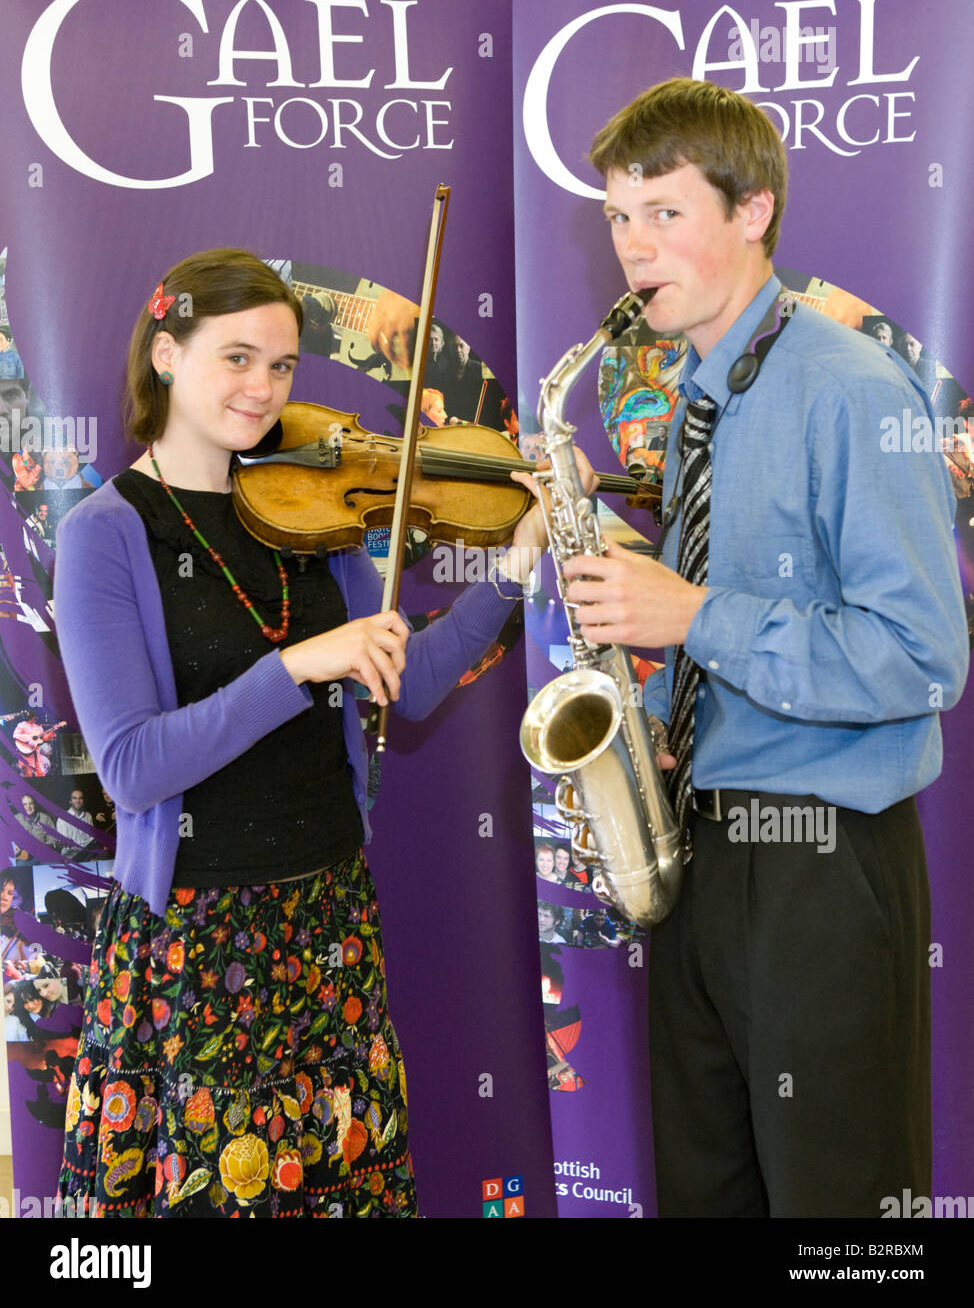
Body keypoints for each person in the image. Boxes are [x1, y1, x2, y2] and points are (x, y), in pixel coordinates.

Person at [52, 247, 559, 1219]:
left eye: (281, 366)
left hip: (325, 923)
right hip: (195, 946)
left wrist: (514, 564)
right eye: (236, 358)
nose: (263, 388)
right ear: (165, 354)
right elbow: (131, 767)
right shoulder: (105, 535)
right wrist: (296, 665)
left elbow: (406, 684)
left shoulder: (308, 507)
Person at [563, 78, 968, 1217]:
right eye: (615, 218)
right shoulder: (702, 390)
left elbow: (920, 657)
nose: (630, 248)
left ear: (753, 210)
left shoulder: (844, 388)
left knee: (835, 1212)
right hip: (701, 857)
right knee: (711, 1193)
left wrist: (686, 615)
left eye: (662, 213)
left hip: (823, 873)